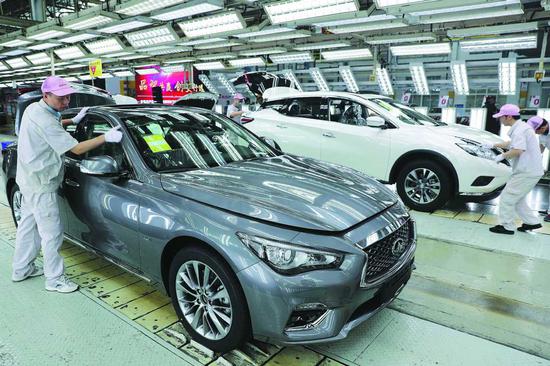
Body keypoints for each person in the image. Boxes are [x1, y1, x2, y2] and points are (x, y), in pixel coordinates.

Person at [12, 76, 123, 293]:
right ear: (46, 95)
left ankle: (21, 269)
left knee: (28, 227)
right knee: (51, 233)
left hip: (29, 179)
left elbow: (50, 124)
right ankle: (54, 279)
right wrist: (105, 137)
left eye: (68, 97)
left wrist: (72, 121)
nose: (66, 103)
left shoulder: (34, 109)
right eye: (61, 99)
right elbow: (77, 150)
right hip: (41, 183)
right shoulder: (44, 118)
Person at [484, 104, 544, 235]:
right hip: (531, 170)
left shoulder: (520, 130)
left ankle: (507, 226)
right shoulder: (522, 128)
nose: (499, 119)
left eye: (501, 117)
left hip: (527, 171)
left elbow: (518, 150)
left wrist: (502, 156)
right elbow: (512, 143)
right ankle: (532, 222)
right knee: (517, 198)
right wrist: (493, 145)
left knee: (507, 197)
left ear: (508, 117)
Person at [526, 116, 550, 222]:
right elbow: (540, 148)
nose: (535, 133)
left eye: (536, 131)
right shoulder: (542, 133)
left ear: (543, 127)